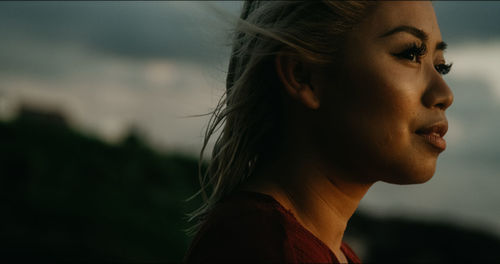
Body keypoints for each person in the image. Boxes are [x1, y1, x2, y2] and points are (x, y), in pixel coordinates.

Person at [185, 1, 454, 263]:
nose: (444, 94)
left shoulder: (318, 249)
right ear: (303, 75)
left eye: (440, 65)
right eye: (409, 53)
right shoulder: (265, 248)